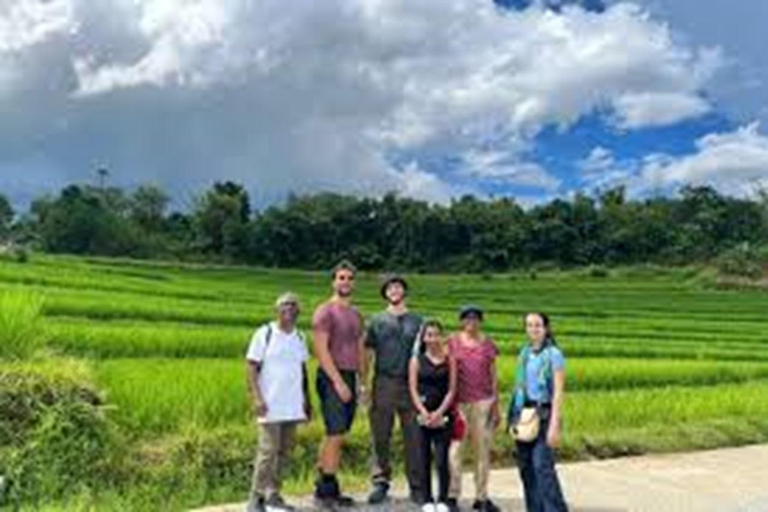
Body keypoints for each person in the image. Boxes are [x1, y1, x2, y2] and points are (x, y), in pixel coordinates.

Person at [245, 292, 311, 512]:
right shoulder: (265, 333)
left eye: (294, 305)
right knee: (267, 450)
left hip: (292, 405)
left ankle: (274, 493)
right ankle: (256, 497)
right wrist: (256, 397)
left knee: (285, 451)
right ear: (277, 310)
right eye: (285, 304)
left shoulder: (300, 337)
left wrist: (307, 401)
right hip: (269, 404)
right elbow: (251, 366)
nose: (289, 308)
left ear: (298, 311)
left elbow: (303, 370)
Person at [365, 274, 425, 505]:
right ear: (385, 293)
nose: (394, 290)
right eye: (390, 288)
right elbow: (368, 352)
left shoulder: (418, 321)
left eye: (398, 287)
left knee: (414, 436)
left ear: (404, 292)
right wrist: (364, 382)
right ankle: (380, 481)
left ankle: (417, 485)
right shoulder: (377, 320)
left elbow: (425, 353)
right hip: (383, 382)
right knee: (380, 434)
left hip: (411, 384)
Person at [312, 260, 366, 507]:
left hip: (350, 375)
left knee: (337, 432)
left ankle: (322, 484)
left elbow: (360, 350)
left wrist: (362, 384)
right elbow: (321, 351)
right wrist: (338, 382)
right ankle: (328, 492)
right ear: (333, 281)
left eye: (349, 278)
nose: (345, 282)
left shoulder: (356, 314)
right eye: (341, 278)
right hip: (332, 374)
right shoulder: (325, 311)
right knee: (335, 432)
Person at [508, 312, 568, 512]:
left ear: (546, 328)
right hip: (524, 415)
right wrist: (512, 419)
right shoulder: (524, 353)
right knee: (526, 468)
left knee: (542, 468)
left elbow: (558, 392)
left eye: (538, 325)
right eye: (529, 325)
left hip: (544, 415)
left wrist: (554, 425)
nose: (533, 329)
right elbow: (518, 387)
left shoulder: (553, 355)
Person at [447, 305, 502, 512]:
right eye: (467, 318)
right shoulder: (451, 342)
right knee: (455, 451)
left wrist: (496, 405)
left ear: (480, 321)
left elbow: (493, 375)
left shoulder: (488, 344)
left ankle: (481, 497)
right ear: (461, 321)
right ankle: (452, 496)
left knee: (482, 452)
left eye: (475, 318)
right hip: (458, 404)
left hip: (483, 403)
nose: (471, 322)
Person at [409, 320, 457, 512]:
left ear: (442, 336)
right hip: (422, 414)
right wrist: (424, 412)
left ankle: (443, 499)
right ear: (423, 338)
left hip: (443, 415)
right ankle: (427, 499)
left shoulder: (449, 360)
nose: (433, 338)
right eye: (429, 335)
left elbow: (452, 390)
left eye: (436, 334)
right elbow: (412, 389)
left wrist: (439, 413)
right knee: (423, 457)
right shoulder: (416, 360)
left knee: (442, 458)